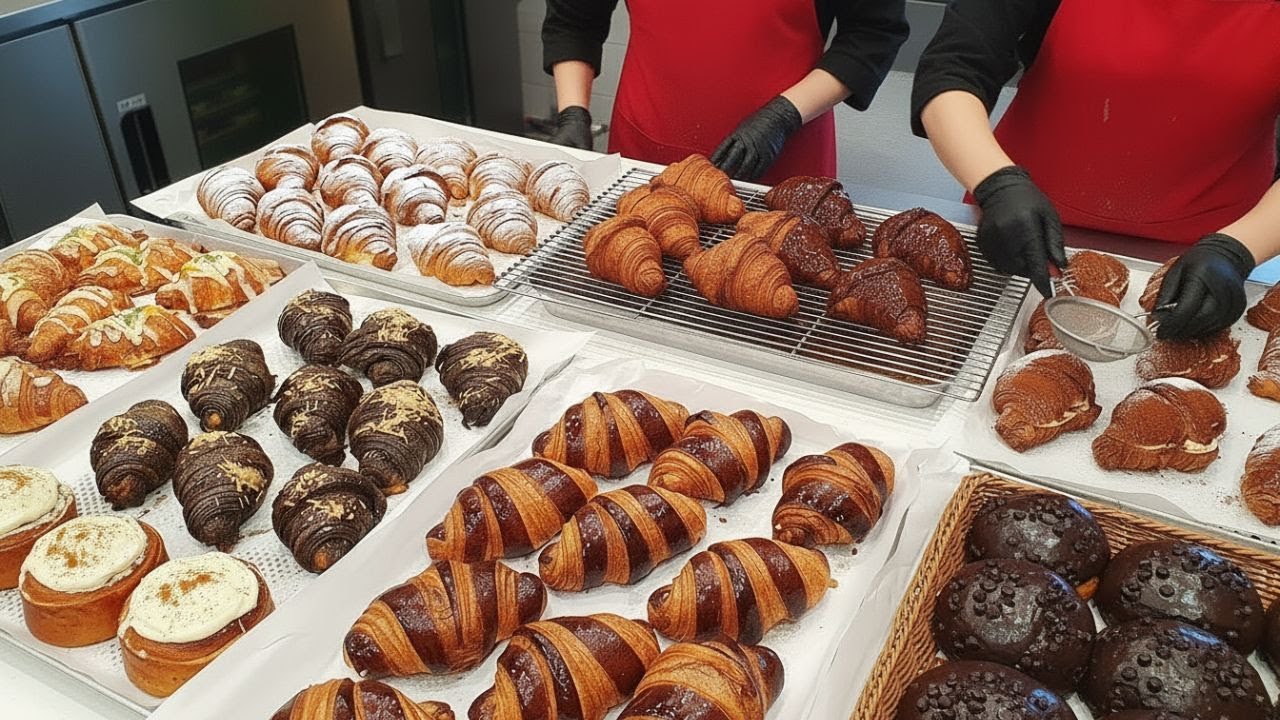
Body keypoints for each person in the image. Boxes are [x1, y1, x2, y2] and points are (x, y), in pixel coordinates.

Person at [911, 0, 1280, 339]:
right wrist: (996, 182)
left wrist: (1236, 250)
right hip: (1019, 224)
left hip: (1209, 255)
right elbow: (952, 69)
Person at [541, 0, 909, 184]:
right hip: (645, 160)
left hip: (781, 164)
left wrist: (783, 116)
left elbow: (871, 37)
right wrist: (574, 111)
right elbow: (575, 17)